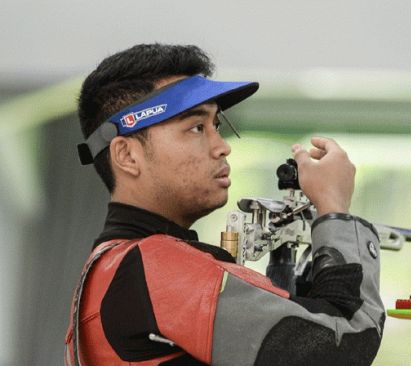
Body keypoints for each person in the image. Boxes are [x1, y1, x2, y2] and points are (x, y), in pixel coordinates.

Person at [64, 44, 385, 366]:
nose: (221, 147)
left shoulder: (115, 264)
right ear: (127, 155)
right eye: (195, 128)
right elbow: (346, 341)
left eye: (217, 126)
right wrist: (333, 207)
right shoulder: (153, 268)